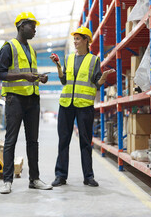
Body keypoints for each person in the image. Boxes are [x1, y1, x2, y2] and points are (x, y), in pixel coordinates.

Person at [49, 26, 115, 187]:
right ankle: (60, 176)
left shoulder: (94, 60)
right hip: (66, 104)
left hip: (84, 105)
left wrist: (104, 78)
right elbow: (64, 80)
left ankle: (88, 176)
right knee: (63, 140)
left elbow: (96, 83)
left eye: (78, 38)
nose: (75, 41)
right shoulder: (69, 58)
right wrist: (58, 65)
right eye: (75, 38)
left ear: (86, 41)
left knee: (85, 141)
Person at [0, 12, 53, 194]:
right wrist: (24, 76)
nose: (35, 30)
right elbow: (0, 74)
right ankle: (7, 181)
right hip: (15, 100)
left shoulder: (32, 50)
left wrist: (39, 78)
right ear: (21, 26)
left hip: (32, 99)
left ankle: (34, 179)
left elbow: (30, 75)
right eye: (32, 26)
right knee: (10, 141)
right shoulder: (9, 47)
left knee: (33, 142)